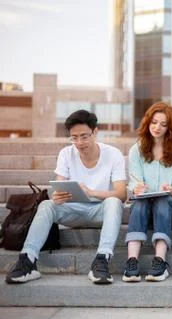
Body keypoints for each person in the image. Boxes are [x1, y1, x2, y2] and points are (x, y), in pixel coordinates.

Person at [5, 110, 126, 285]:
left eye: (84, 137)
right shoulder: (66, 154)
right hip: (74, 211)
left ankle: (101, 261)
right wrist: (58, 196)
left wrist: (91, 192)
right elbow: (59, 185)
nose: (79, 143)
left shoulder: (113, 154)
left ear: (95, 132)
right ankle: (27, 261)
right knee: (47, 205)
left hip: (101, 212)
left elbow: (122, 194)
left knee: (114, 202)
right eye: (74, 138)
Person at [122, 102, 172, 282]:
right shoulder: (136, 150)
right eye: (154, 122)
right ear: (147, 122)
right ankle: (132, 262)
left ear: (170, 128)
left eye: (163, 124)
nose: (157, 127)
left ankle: (160, 261)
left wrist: (171, 190)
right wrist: (136, 188)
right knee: (140, 201)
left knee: (162, 200)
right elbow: (132, 186)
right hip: (145, 211)